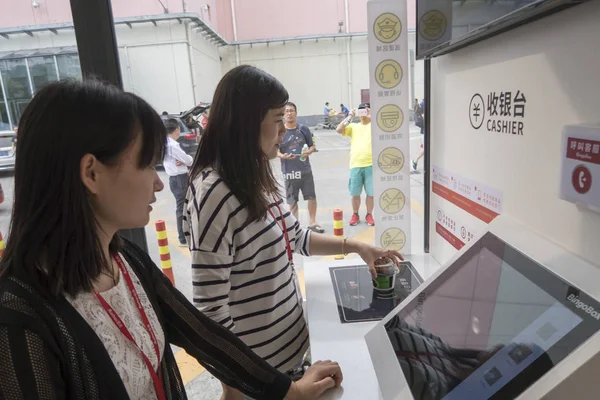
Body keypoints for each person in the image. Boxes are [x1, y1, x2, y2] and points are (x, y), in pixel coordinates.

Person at [0, 79, 344, 400]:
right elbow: (211, 311)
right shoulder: (19, 316)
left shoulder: (126, 261)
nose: (160, 184)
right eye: (148, 165)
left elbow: (202, 335)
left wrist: (288, 391)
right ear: (92, 173)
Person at [185, 65, 403, 400]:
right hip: (262, 382)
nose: (283, 132)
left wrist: (357, 247)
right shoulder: (214, 194)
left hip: (289, 364)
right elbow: (210, 319)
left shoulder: (254, 177)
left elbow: (297, 237)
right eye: (276, 120)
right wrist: (264, 390)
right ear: (246, 124)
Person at [278, 102, 324, 233]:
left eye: (291, 111)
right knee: (292, 201)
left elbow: (312, 145)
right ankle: (295, 226)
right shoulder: (280, 131)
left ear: (296, 113)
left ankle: (313, 222)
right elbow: (275, 150)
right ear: (283, 114)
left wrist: (309, 151)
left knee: (311, 197)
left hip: (305, 170)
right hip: (289, 172)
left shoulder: (304, 129)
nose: (289, 113)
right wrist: (283, 156)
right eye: (286, 111)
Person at [336, 103, 375, 226]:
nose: (363, 113)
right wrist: (349, 117)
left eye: (366, 110)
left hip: (371, 165)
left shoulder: (374, 126)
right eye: (361, 110)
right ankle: (355, 214)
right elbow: (339, 130)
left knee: (371, 193)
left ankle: (369, 214)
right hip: (356, 165)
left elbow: (383, 128)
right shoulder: (353, 126)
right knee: (355, 193)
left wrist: (371, 115)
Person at [163, 118, 193, 247]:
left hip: (174, 178)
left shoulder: (164, 143)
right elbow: (189, 160)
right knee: (183, 208)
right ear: (176, 130)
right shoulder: (173, 145)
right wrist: (186, 160)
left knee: (182, 207)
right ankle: (183, 238)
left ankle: (184, 235)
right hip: (180, 178)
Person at [412, 99, 425, 172]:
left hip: (425, 130)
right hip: (425, 130)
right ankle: (414, 161)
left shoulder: (422, 104)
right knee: (426, 148)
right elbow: (423, 116)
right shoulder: (423, 104)